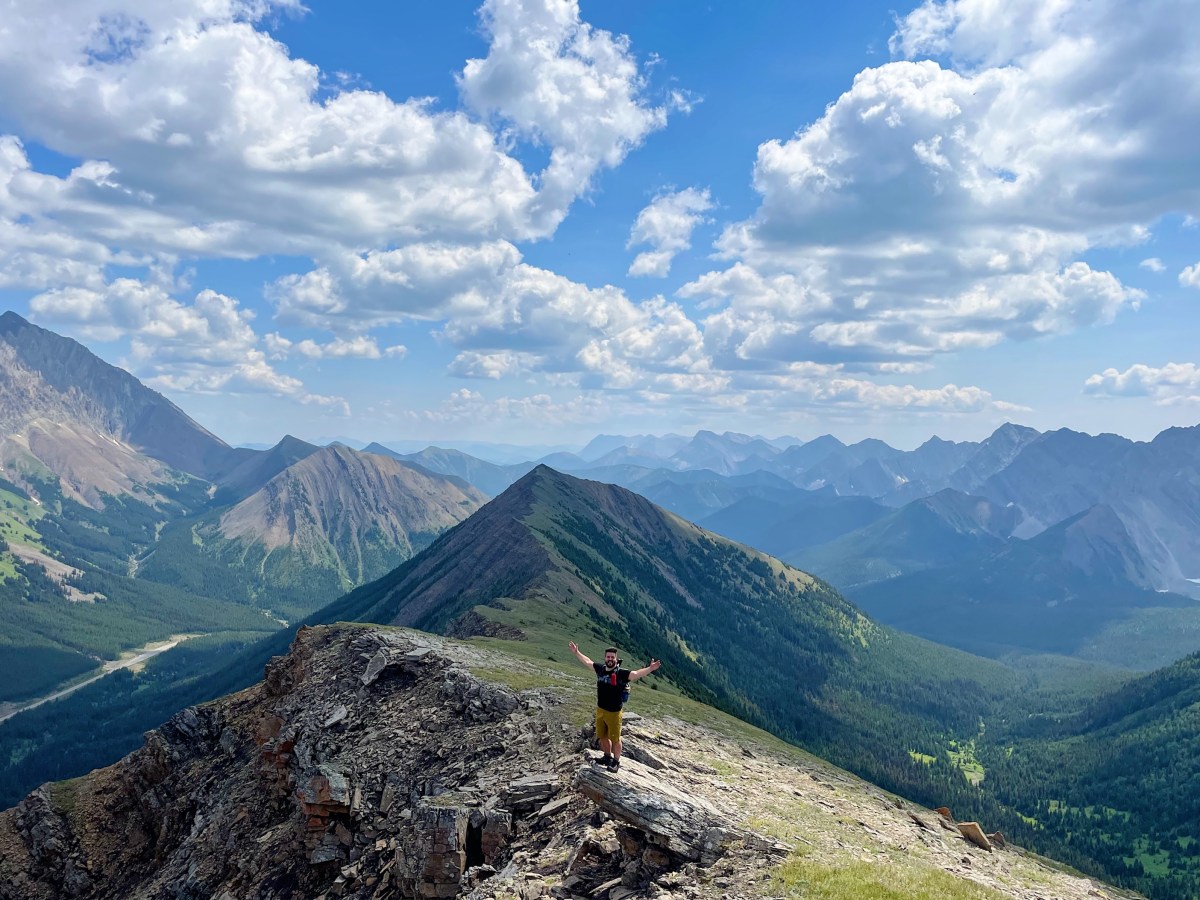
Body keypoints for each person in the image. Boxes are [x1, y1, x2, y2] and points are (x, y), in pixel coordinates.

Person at [568, 641, 661, 772]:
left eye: (612, 657)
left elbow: (635, 674)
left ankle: (616, 761)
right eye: (608, 657)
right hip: (600, 710)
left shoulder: (621, 673)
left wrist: (650, 668)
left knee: (616, 739)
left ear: (616, 659)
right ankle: (607, 757)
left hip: (614, 712)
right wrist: (577, 653)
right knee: (603, 736)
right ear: (605, 658)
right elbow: (588, 662)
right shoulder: (600, 669)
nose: (610, 659)